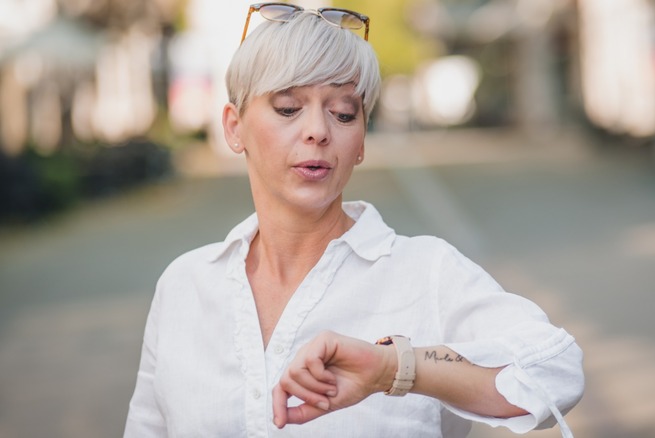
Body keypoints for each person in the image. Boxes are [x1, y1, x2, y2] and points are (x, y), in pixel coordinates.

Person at [124, 4, 584, 437]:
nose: (319, 130)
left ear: (361, 139)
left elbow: (556, 370)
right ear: (233, 127)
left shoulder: (425, 273)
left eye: (344, 113)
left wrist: (393, 369)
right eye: (288, 108)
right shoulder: (184, 286)